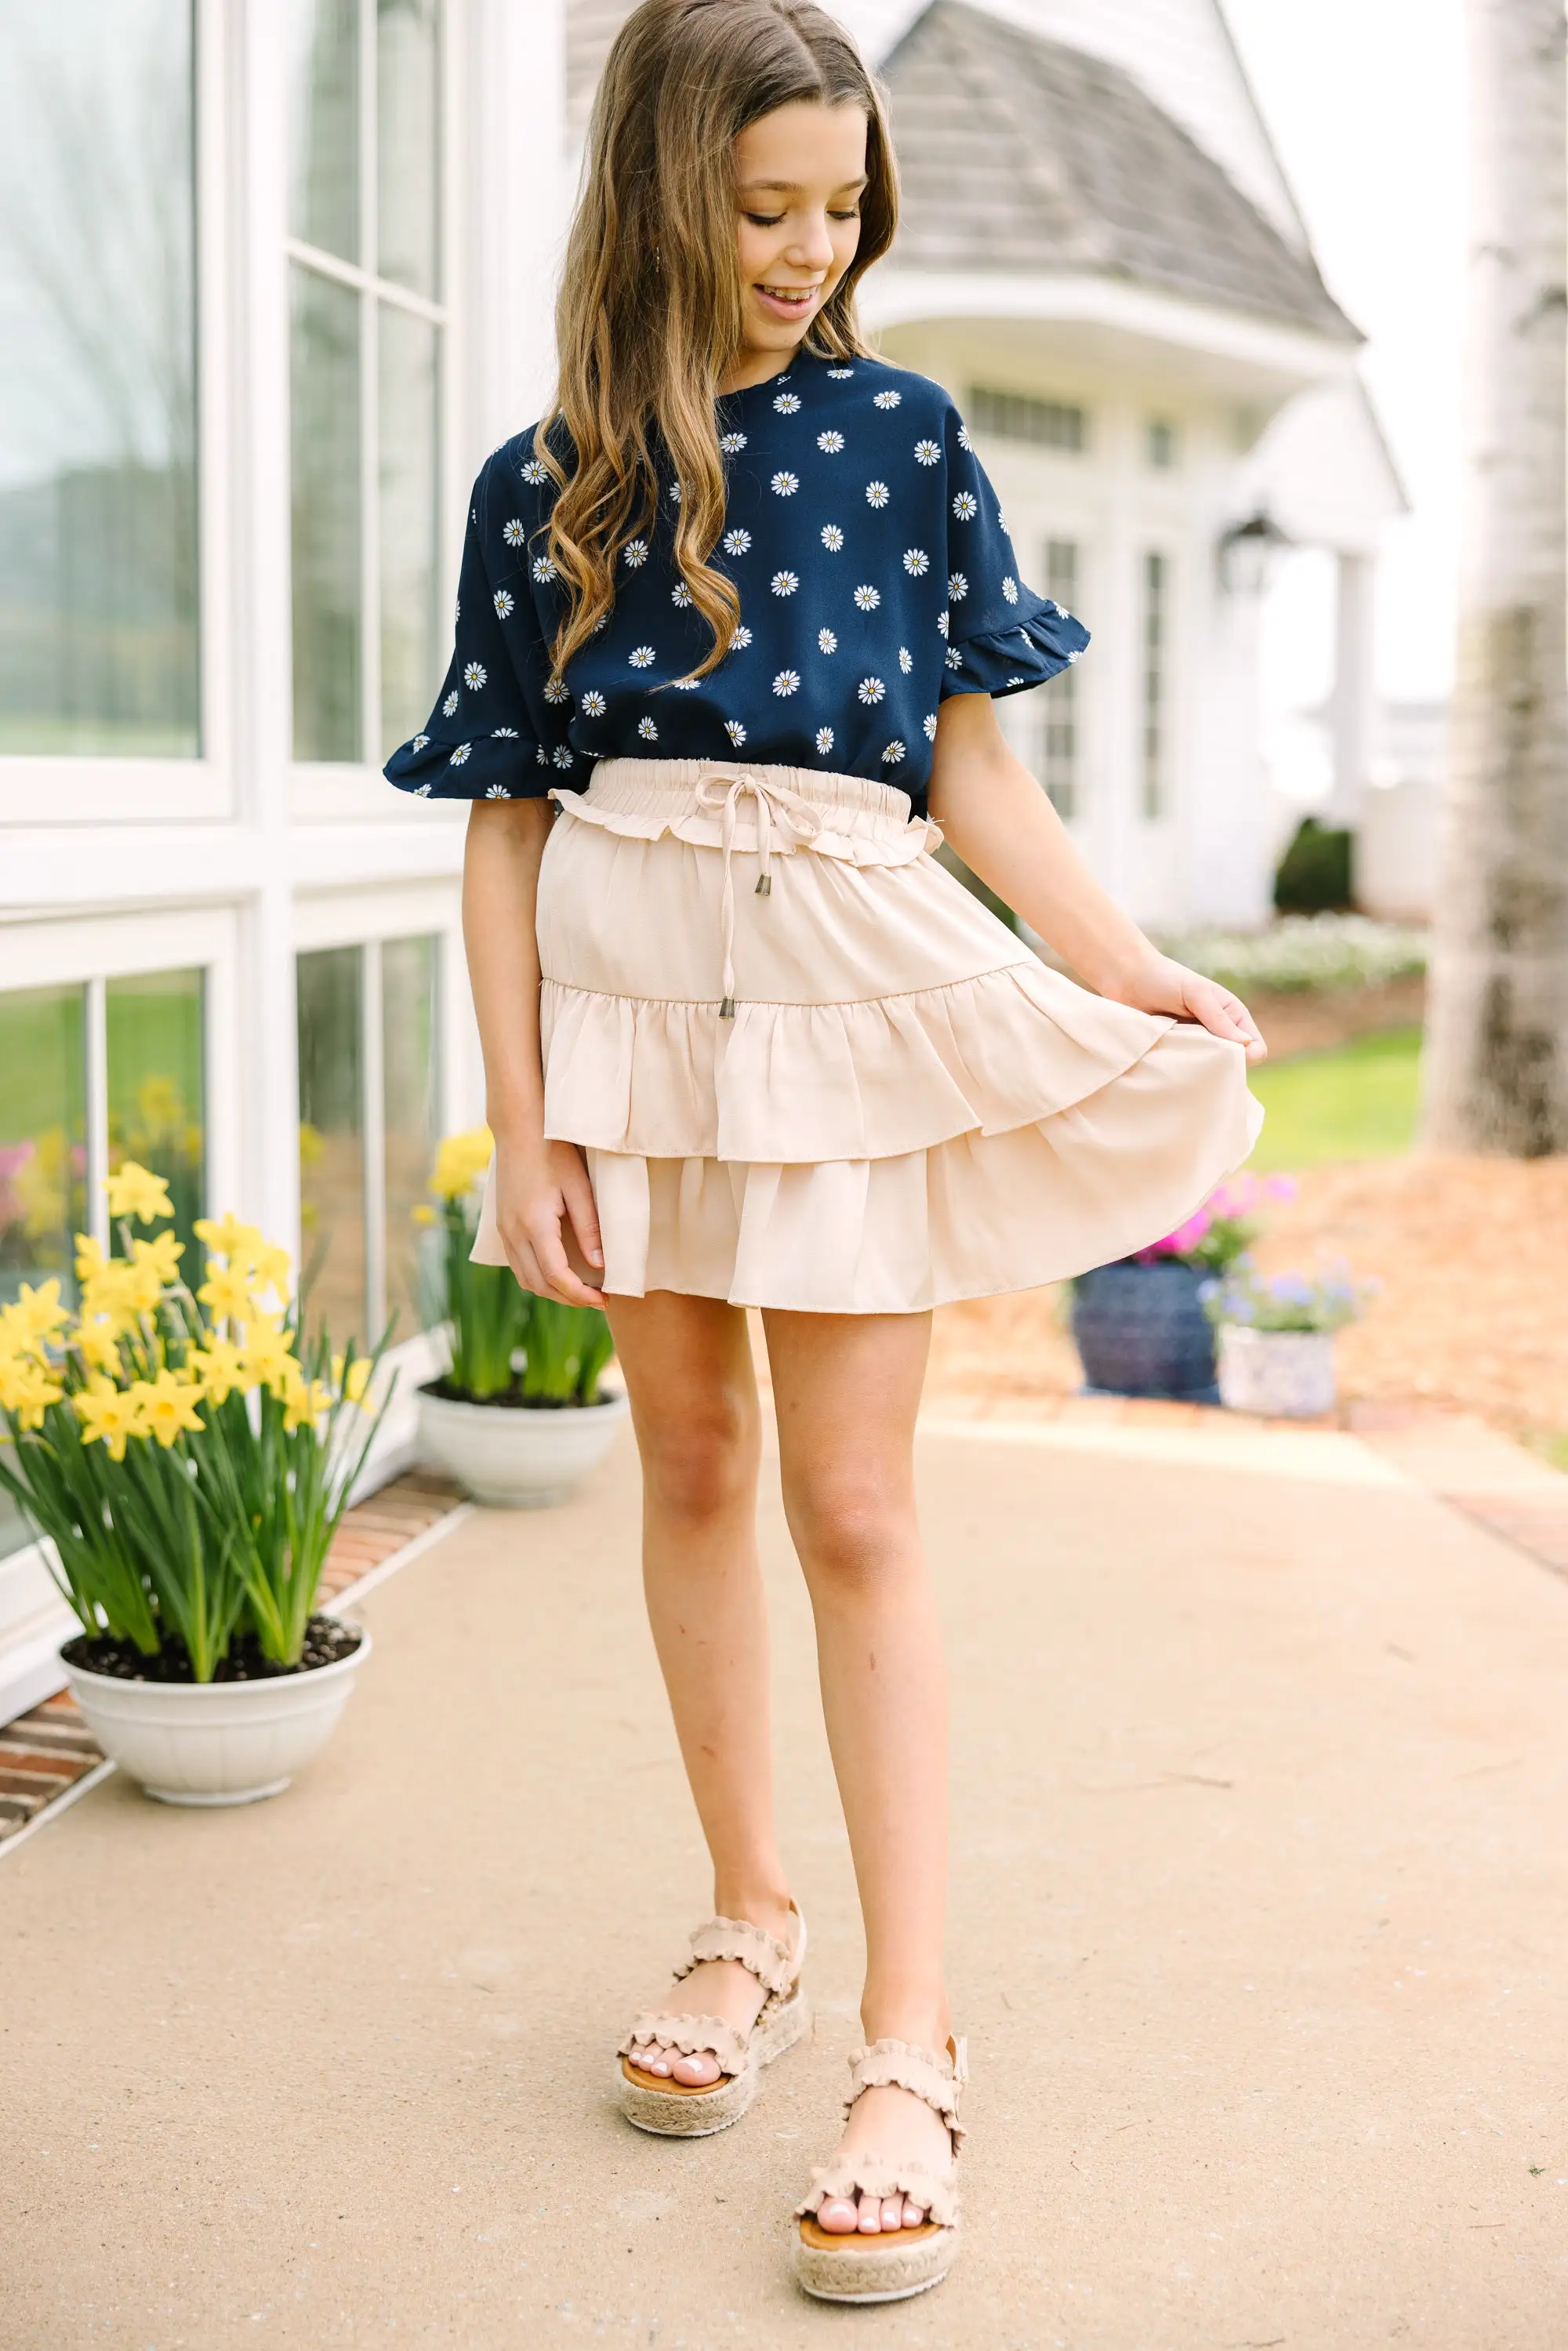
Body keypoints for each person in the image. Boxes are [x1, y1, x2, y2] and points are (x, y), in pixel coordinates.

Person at [387, 0, 1264, 2305]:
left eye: (842, 206)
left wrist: (1132, 960)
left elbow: (977, 773)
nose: (808, 248)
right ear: (665, 194)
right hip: (630, 998)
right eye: (765, 206)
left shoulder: (904, 438)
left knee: (852, 1499)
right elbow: (499, 826)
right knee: (683, 1471)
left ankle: (909, 2030)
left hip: (844, 975)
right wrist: (522, 1116)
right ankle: (747, 1919)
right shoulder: (546, 473)